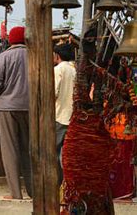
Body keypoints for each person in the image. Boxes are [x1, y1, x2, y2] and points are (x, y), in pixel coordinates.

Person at [0, 26, 32, 199]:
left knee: (10, 150)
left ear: (10, 40)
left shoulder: (3, 57)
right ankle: (33, 191)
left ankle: (15, 193)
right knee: (29, 150)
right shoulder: (35, 56)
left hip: (7, 108)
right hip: (30, 108)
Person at [53, 43, 76, 184]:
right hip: (72, 117)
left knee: (53, 153)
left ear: (57, 55)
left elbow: (53, 92)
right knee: (68, 154)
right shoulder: (75, 70)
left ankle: (57, 182)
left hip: (59, 116)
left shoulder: (58, 70)